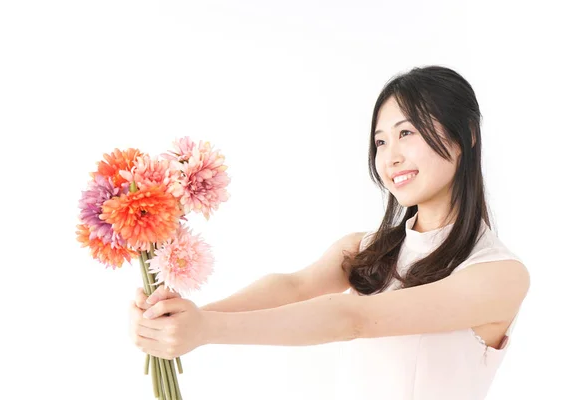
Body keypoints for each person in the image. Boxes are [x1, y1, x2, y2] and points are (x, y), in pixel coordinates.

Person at [129, 65, 530, 400]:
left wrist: (207, 330)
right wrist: (180, 321)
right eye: (380, 141)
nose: (390, 157)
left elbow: (353, 318)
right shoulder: (366, 249)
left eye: (407, 133)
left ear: (467, 137)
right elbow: (292, 286)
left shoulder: (498, 274)